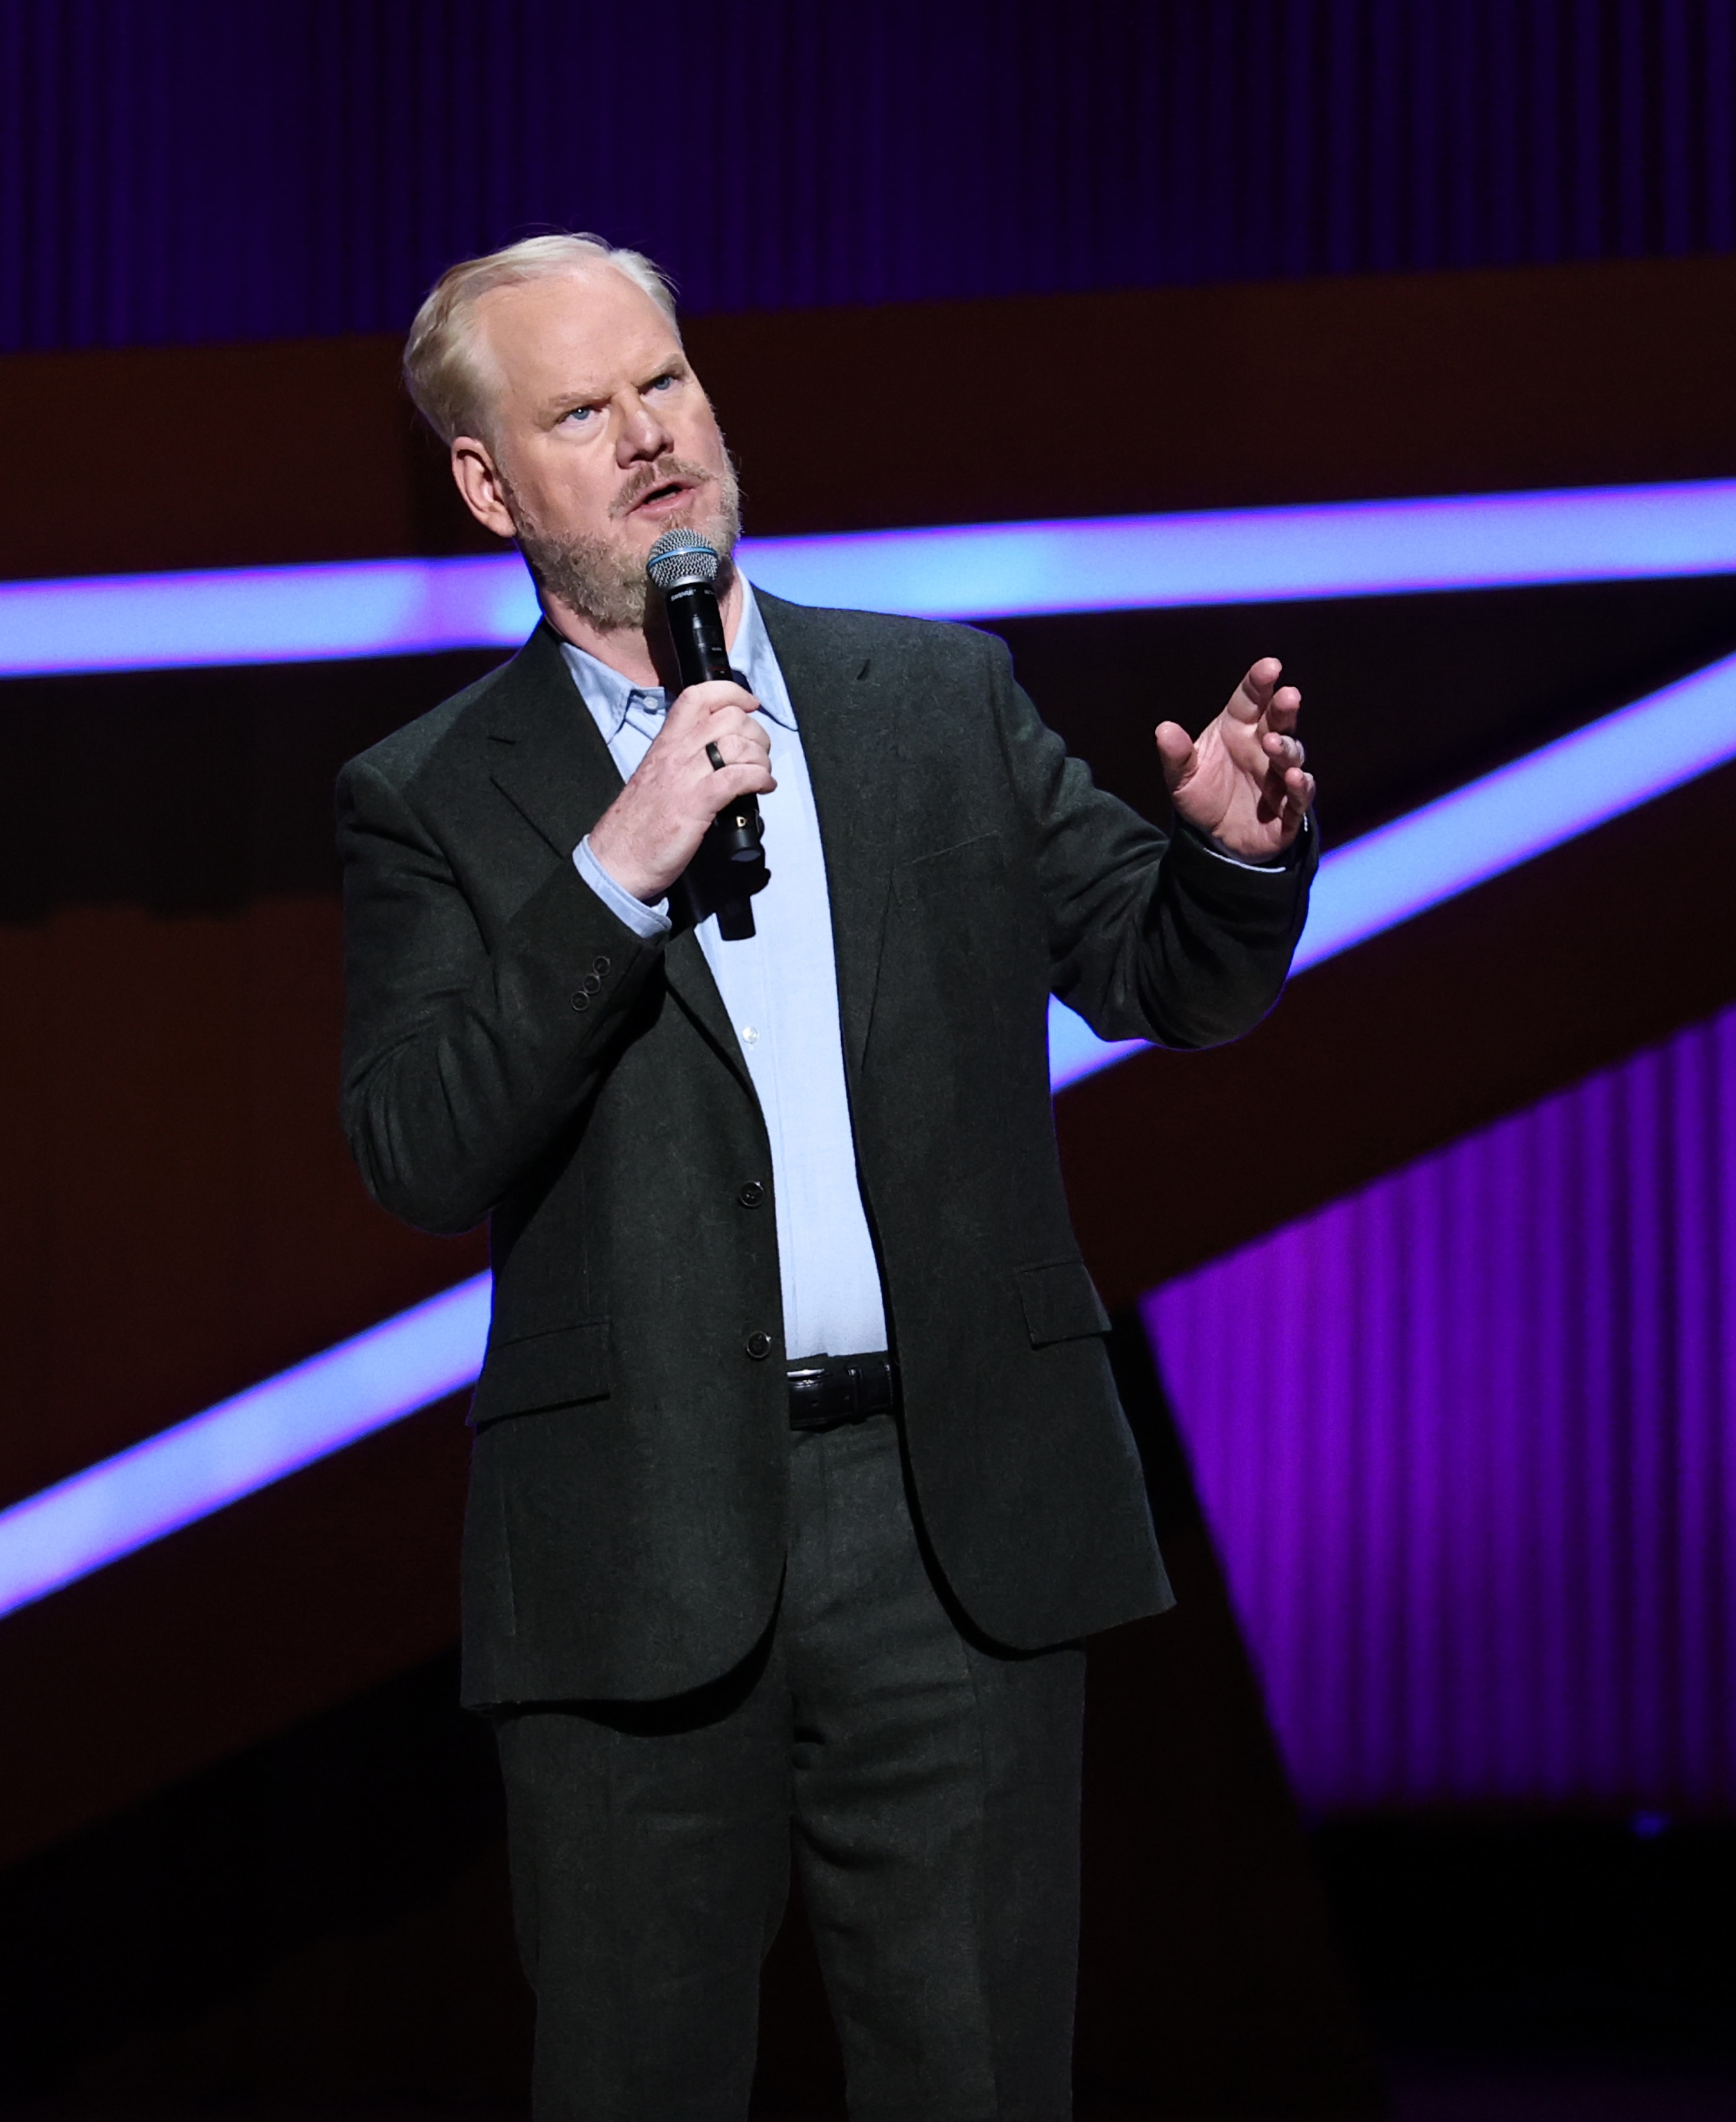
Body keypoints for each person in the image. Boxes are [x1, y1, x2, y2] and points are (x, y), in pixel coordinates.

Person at [336, 233, 1315, 2122]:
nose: (646, 437)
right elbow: (417, 1143)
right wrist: (617, 868)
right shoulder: (433, 795)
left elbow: (1156, 975)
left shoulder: (933, 703)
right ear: (486, 485)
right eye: (578, 411)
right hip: (633, 1558)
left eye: (665, 384)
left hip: (953, 1530)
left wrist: (1235, 867)